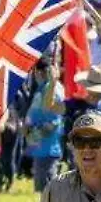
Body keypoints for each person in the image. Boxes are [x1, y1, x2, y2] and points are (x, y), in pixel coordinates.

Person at [25, 59, 65, 192]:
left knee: (49, 188)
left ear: (38, 72)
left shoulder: (54, 89)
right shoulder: (42, 88)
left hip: (49, 146)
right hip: (39, 146)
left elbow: (55, 118)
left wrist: (38, 132)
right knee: (42, 189)